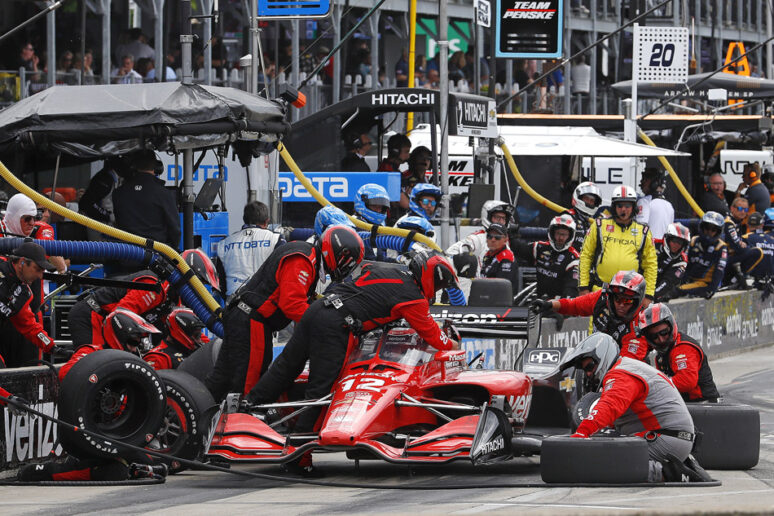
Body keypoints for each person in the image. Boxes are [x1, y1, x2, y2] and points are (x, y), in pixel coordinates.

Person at [244, 251, 460, 473]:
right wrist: (454, 344)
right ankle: (299, 457)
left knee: (287, 365)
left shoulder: (391, 270)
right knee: (322, 389)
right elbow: (434, 337)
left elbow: (364, 278)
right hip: (336, 325)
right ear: (433, 278)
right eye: (440, 286)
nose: (438, 291)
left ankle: (246, 410)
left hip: (317, 310)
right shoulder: (413, 297)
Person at [205, 225, 365, 402]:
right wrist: (325, 322)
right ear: (338, 253)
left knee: (221, 380)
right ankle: (242, 423)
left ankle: (200, 414)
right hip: (252, 320)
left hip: (243, 316)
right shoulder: (303, 259)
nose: (348, 268)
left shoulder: (305, 253)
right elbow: (292, 304)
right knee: (249, 384)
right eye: (349, 262)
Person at [24, 309, 168, 483]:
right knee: (115, 472)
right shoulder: (91, 352)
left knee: (156, 463)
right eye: (131, 342)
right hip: (82, 432)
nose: (134, 348)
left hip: (117, 432)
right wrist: (100, 374)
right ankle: (46, 471)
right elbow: (66, 375)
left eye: (137, 343)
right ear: (119, 336)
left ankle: (125, 467)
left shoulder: (135, 368)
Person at [562, 333, 702, 483]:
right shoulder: (627, 368)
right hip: (671, 436)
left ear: (603, 356)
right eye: (585, 370)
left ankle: (669, 473)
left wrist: (582, 433)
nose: (589, 373)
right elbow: (615, 417)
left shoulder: (620, 374)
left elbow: (609, 406)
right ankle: (680, 464)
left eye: (590, 366)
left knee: (598, 460)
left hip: (665, 438)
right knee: (601, 444)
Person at [532, 270, 649, 360]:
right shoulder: (601, 299)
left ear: (637, 301)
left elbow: (627, 366)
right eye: (618, 299)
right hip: (596, 360)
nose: (621, 305)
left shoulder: (640, 326)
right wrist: (549, 305)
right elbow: (574, 305)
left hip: (627, 372)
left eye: (627, 301)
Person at [579, 185, 657, 302]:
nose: (623, 210)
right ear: (614, 206)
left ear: (634, 207)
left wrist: (649, 295)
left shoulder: (643, 231)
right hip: (601, 291)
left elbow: (651, 265)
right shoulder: (599, 225)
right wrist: (583, 287)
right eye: (620, 206)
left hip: (631, 293)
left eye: (627, 206)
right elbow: (585, 256)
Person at [66, 269, 172, 348]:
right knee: (94, 366)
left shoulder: (172, 298)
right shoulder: (154, 287)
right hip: (91, 315)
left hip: (103, 319)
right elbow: (120, 316)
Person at [637, 303, 720, 402]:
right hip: (684, 404)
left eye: (664, 332)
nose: (661, 339)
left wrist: (653, 386)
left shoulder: (683, 348)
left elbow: (686, 382)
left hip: (703, 405)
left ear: (671, 325)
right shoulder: (662, 352)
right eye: (654, 336)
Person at [0, 243, 56, 366]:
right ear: (22, 262)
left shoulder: (23, 294)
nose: (40, 276)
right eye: (38, 269)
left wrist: (52, 347)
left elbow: (30, 327)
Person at [113, 150, 181, 250]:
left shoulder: (118, 193)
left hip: (126, 255)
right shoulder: (164, 194)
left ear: (133, 166)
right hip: (156, 257)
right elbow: (175, 230)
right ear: (156, 166)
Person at [216, 201, 282, 297]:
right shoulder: (276, 239)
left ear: (244, 219)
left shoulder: (224, 243)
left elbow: (221, 281)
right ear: (266, 221)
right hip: (265, 302)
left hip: (233, 303)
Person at [513, 214, 579, 298]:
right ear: (552, 233)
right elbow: (519, 248)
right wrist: (511, 235)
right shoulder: (539, 247)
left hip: (559, 305)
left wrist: (557, 305)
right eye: (558, 233)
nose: (561, 238)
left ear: (570, 236)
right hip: (539, 300)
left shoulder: (575, 259)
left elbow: (571, 290)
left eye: (564, 234)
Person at [447, 200, 514, 276]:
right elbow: (450, 254)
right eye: (497, 217)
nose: (501, 221)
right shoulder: (478, 238)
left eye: (503, 218)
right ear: (487, 217)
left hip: (499, 285)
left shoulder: (506, 242)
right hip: (478, 285)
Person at [676, 212, 728, 298]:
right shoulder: (693, 241)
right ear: (702, 227)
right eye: (707, 228)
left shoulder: (721, 247)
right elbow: (684, 263)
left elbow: (719, 271)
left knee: (676, 290)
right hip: (689, 280)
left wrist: (712, 289)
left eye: (713, 230)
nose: (709, 232)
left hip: (705, 284)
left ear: (718, 231)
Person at [353, 183, 391, 262]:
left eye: (380, 207)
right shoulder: (354, 224)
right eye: (374, 206)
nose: (378, 210)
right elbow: (370, 258)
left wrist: (400, 260)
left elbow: (381, 258)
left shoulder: (380, 227)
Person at [654, 223, 690, 302]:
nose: (676, 245)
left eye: (680, 242)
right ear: (668, 239)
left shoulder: (682, 260)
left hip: (658, 290)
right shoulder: (652, 244)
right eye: (674, 241)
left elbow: (668, 281)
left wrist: (651, 296)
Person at [636, 168, 674, 240]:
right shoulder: (670, 206)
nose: (642, 182)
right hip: (664, 249)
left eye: (646, 180)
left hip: (649, 248)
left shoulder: (644, 202)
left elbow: (639, 229)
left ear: (655, 183)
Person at [563, 181, 601, 252]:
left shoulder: (595, 222)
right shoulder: (567, 217)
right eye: (586, 199)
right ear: (579, 198)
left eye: (592, 200)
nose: (589, 202)